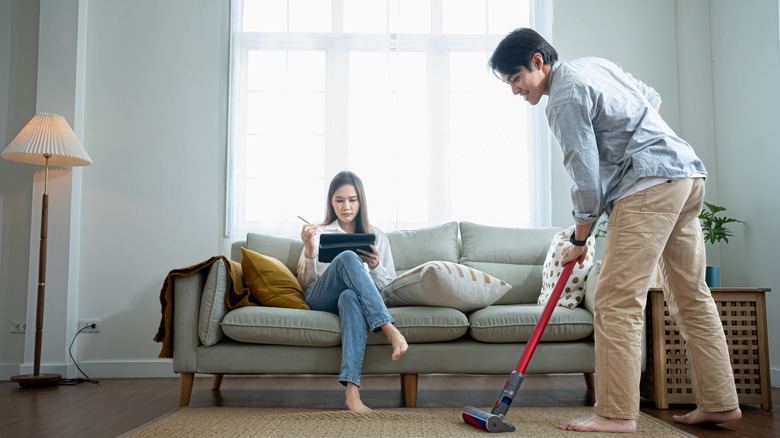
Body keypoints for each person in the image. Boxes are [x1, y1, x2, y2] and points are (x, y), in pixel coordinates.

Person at [488, 28, 741, 433]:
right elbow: (651, 97)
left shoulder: (564, 98)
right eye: (508, 84)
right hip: (687, 175)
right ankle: (721, 403)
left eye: (516, 79)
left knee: (616, 300)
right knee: (692, 296)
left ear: (538, 61)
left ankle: (616, 413)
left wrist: (579, 236)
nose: (515, 90)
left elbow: (585, 178)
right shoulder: (596, 66)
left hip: (648, 185)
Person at [297, 170, 408, 412]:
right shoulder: (319, 232)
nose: (346, 207)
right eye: (339, 200)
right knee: (347, 256)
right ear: (331, 202)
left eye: (352, 200)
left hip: (353, 301)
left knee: (349, 296)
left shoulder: (377, 236)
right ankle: (389, 329)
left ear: (361, 201)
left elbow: (389, 288)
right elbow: (306, 283)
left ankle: (352, 394)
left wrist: (376, 267)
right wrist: (308, 251)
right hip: (320, 298)